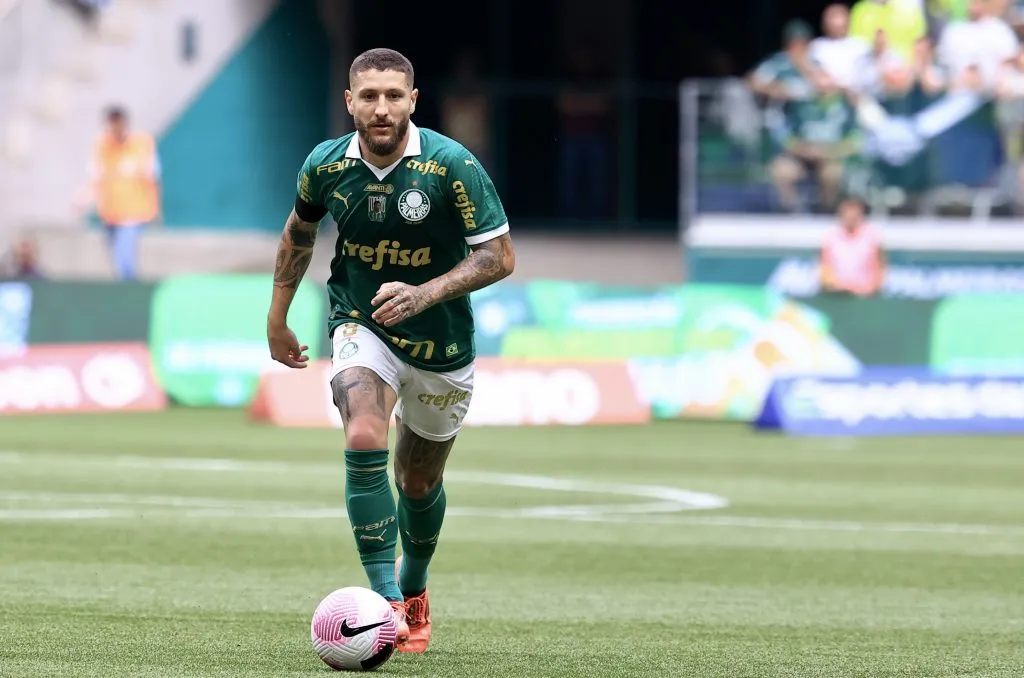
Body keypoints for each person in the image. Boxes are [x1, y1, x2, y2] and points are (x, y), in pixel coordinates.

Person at [265, 48, 515, 655]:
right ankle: (386, 604)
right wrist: (278, 317)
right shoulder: (325, 166)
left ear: (413, 101)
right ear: (349, 101)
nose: (382, 108)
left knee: (419, 482)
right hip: (361, 321)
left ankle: (414, 584)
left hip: (442, 340)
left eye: (393, 96)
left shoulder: (451, 166)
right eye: (369, 96)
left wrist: (426, 292)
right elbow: (300, 232)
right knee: (362, 435)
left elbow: (499, 256)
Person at [86, 106, 162, 280]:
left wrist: (156, 207)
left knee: (125, 259)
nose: (115, 128)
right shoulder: (103, 146)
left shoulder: (142, 144)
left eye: (118, 123)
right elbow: (95, 176)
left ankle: (130, 295)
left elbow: (154, 178)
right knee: (116, 259)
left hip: (134, 212)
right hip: (109, 213)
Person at [818, 196, 887, 296]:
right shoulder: (831, 236)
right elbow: (824, 268)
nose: (850, 217)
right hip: (838, 295)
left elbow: (879, 267)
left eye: (854, 213)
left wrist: (869, 289)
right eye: (847, 213)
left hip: (865, 295)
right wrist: (835, 287)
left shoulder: (871, 236)